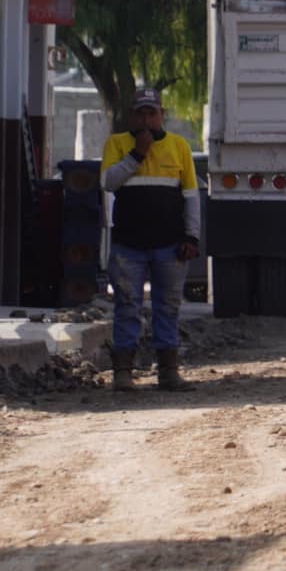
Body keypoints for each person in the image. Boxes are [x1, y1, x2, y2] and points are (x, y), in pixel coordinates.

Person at [100, 87, 200, 392]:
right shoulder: (117, 144)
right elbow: (108, 182)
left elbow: (191, 197)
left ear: (162, 116)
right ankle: (123, 372)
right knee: (127, 305)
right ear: (132, 115)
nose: (146, 119)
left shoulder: (179, 146)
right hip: (128, 245)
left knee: (167, 307)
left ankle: (168, 371)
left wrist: (192, 236)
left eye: (152, 113)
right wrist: (137, 154)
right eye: (141, 113)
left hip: (170, 246)